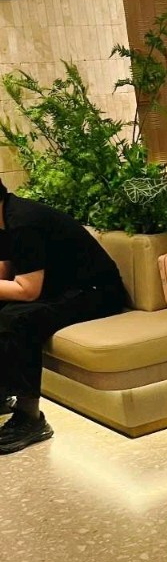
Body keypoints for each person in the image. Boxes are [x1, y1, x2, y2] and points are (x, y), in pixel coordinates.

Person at [0, 178, 127, 452]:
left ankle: (30, 418)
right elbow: (4, 273)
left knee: (18, 320)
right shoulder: (4, 218)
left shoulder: (23, 222)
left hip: (97, 291)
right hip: (60, 287)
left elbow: (27, 291)